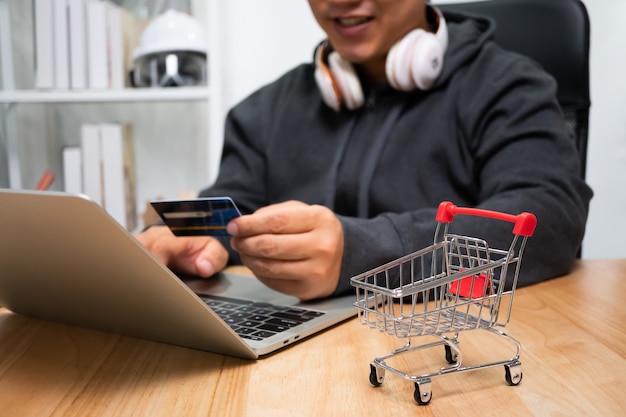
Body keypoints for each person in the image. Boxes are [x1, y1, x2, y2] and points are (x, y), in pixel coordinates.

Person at [137, 0, 593, 301]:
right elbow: (235, 212)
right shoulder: (262, 112)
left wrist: (364, 252)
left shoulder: (508, 87)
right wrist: (196, 240)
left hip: (447, 357)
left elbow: (548, 217)